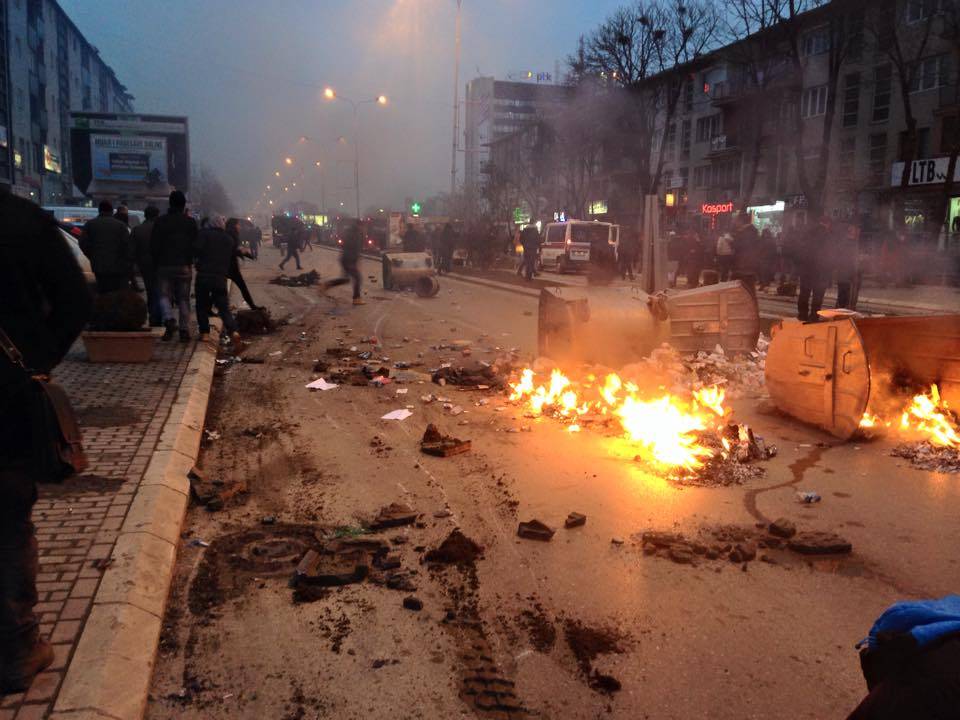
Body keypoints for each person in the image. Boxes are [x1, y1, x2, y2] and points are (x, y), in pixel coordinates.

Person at [0, 191, 92, 693]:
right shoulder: (18, 219)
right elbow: (76, 300)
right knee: (8, 524)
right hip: (7, 404)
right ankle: (16, 647)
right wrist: (34, 364)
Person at [151, 190, 198, 342]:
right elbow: (195, 244)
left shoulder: (160, 221)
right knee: (183, 299)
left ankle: (169, 319)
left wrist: (157, 261)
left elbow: (154, 245)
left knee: (164, 296)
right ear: (184, 205)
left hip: (164, 265)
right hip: (184, 265)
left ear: (169, 204)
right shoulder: (190, 222)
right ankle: (184, 331)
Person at [194, 215, 240, 344]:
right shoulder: (228, 239)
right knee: (223, 307)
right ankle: (233, 331)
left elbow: (196, 250)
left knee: (201, 305)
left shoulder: (204, 235)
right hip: (220, 277)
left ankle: (204, 333)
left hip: (204, 276)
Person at [80, 200, 133, 293]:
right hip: (117, 266)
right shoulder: (120, 225)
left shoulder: (90, 224)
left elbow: (83, 243)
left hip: (98, 264)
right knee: (115, 291)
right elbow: (127, 246)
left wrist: (92, 256)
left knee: (102, 290)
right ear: (112, 211)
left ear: (99, 210)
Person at [131, 206, 163, 326]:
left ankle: (153, 314)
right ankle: (157, 316)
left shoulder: (137, 229)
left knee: (150, 289)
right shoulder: (161, 229)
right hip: (160, 264)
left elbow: (132, 250)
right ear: (157, 215)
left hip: (144, 265)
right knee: (160, 291)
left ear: (145, 215)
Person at [796, 214, 832, 322]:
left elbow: (800, 252)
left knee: (804, 294)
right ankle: (814, 316)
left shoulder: (808, 233)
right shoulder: (827, 236)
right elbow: (830, 256)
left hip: (806, 271)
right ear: (828, 224)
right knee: (818, 296)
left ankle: (802, 315)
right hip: (821, 272)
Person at [322, 218, 364, 304]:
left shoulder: (352, 233)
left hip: (347, 259)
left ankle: (326, 285)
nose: (364, 228)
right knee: (358, 278)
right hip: (348, 260)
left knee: (345, 279)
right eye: (362, 226)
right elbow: (351, 248)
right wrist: (352, 262)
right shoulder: (354, 234)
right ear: (359, 225)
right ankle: (356, 299)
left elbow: (352, 248)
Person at [225, 218, 258, 309]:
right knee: (242, 287)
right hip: (231, 266)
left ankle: (210, 307)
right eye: (238, 224)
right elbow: (235, 250)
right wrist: (246, 254)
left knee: (220, 288)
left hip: (226, 266)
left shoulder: (229, 234)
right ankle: (252, 306)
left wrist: (247, 255)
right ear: (234, 225)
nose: (240, 226)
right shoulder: (232, 235)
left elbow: (237, 249)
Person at [835, 222, 860, 309]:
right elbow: (852, 260)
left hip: (843, 274)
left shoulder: (842, 243)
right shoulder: (851, 244)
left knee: (842, 296)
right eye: (856, 230)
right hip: (848, 275)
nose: (858, 232)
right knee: (847, 297)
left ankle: (839, 312)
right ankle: (844, 314)